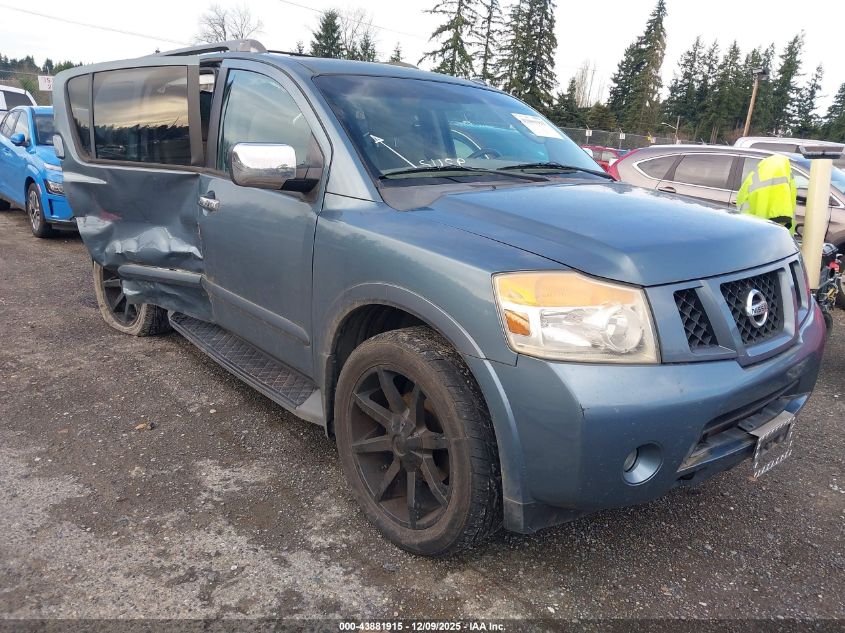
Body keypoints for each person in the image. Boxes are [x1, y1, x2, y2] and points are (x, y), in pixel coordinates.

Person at [736, 153, 798, 233]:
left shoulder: (754, 178)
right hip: (769, 234)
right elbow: (781, 220)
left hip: (750, 230)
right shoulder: (781, 183)